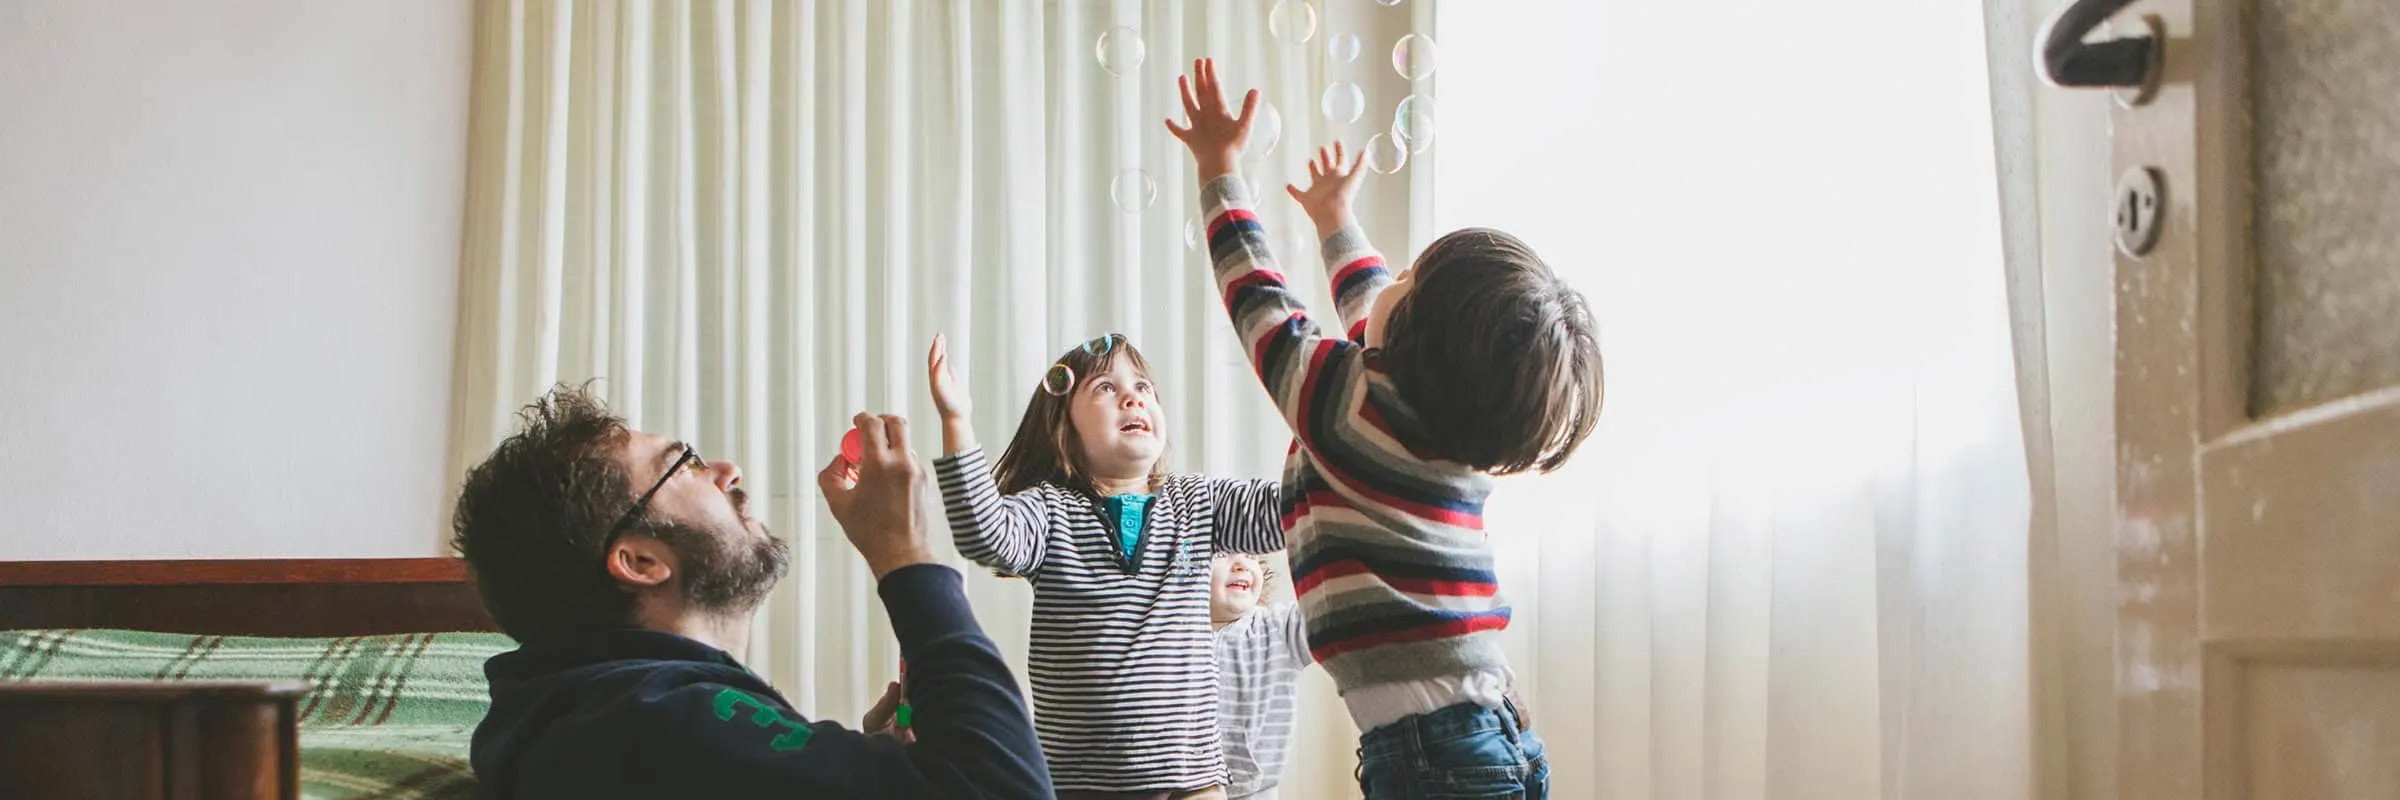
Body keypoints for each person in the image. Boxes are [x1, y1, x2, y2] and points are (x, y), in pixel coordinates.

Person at [1166, 58, 1605, 798]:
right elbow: (1379, 309)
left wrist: (1218, 169)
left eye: (1409, 278)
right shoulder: (1450, 430)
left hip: (1436, 755)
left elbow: (1258, 298)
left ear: (1414, 340)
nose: (1388, 275)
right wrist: (1338, 221)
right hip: (1499, 728)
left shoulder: (1342, 404)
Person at [450, 385, 1052, 798]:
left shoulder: (592, 717)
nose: (726, 470)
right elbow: (1007, 789)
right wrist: (906, 554)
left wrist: (857, 767)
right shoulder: (661, 723)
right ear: (639, 560)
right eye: (682, 464)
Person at [925, 333, 1283, 798]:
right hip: (1083, 784)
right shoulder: (1051, 511)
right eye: (1105, 388)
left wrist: (1326, 432)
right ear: (1063, 427)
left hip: (1193, 781)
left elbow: (1287, 513)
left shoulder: (1198, 502)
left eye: (1143, 387)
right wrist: (957, 422)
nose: (1133, 396)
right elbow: (984, 534)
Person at [1208, 552, 1312, 800]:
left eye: (1250, 556)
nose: (1241, 564)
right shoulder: (1169, 631)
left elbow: (1325, 608)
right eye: (1222, 553)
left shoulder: (1278, 628)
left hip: (1256, 793)